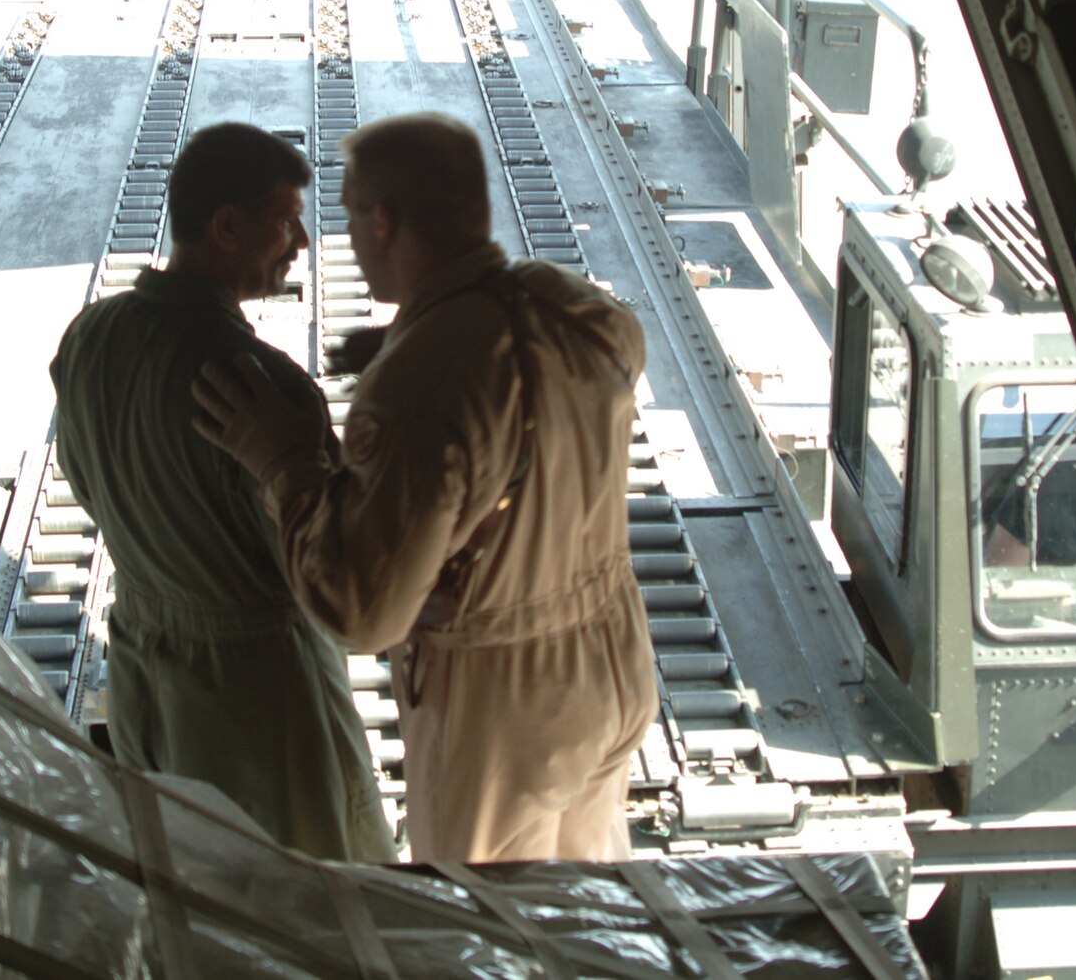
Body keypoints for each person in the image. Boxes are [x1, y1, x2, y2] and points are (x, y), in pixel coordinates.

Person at [192, 112, 657, 864]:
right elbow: (607, 356)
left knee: (489, 937)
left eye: (345, 214)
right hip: (613, 658)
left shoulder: (418, 388)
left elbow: (363, 609)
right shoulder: (569, 305)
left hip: (505, 712)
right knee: (594, 918)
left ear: (384, 221)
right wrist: (416, 335)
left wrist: (283, 460)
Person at [48, 122, 395, 864]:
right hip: (264, 701)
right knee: (308, 908)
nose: (301, 241)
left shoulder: (89, 339)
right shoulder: (264, 386)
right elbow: (337, 575)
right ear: (229, 227)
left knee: (185, 891)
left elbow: (83, 477)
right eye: (286, 221)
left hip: (147, 669)